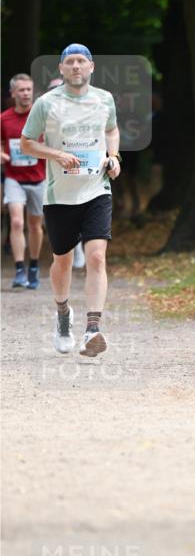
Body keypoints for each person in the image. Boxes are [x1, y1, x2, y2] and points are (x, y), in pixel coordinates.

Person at [20, 44, 121, 356]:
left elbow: (112, 129)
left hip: (96, 189)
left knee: (96, 257)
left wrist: (113, 156)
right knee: (62, 261)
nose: (76, 66)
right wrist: (57, 154)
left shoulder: (105, 99)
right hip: (59, 195)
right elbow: (26, 144)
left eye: (81, 61)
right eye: (70, 62)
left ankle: (93, 329)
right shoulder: (46, 104)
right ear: (61, 69)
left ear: (91, 66)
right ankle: (63, 314)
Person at [1, 73, 45, 289]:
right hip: (14, 178)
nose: (26, 93)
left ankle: (34, 266)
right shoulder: (4, 119)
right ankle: (20, 270)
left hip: (39, 178)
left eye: (29, 89)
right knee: (17, 221)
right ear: (13, 93)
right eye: (21, 90)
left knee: (35, 225)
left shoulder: (41, 118)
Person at [46, 76, 85, 270]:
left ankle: (78, 250)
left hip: (77, 168)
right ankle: (67, 250)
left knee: (76, 206)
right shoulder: (44, 112)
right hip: (52, 170)